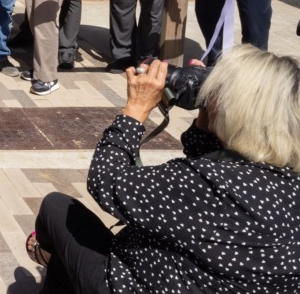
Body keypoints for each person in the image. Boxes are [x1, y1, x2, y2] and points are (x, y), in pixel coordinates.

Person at [31, 46, 300, 293]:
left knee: (57, 208)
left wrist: (135, 110)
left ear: (237, 110)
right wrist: (208, 117)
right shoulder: (285, 181)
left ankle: (48, 257)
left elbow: (106, 180)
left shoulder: (202, 183)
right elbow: (207, 160)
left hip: (142, 284)